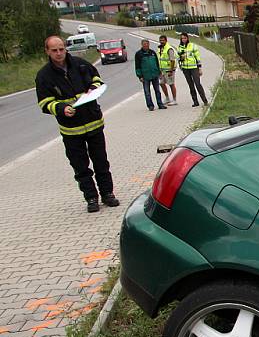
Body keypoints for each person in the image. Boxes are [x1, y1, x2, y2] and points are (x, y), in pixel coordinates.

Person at [35, 35, 119, 213]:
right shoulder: (44, 76)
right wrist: (61, 108)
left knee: (101, 162)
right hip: (71, 129)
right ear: (47, 52)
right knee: (80, 167)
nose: (59, 53)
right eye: (54, 50)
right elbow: (44, 103)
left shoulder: (81, 65)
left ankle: (107, 194)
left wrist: (93, 89)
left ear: (65, 48)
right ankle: (91, 198)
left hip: (94, 123)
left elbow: (97, 79)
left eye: (61, 49)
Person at [134, 39, 167, 111]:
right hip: (145, 76)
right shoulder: (138, 54)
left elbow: (157, 63)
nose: (146, 45)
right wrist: (140, 76)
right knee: (147, 92)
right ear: (142, 45)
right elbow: (137, 66)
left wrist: (159, 72)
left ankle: (160, 104)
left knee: (157, 90)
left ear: (149, 44)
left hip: (154, 74)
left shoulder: (153, 52)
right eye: (144, 44)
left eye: (147, 44)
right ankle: (150, 106)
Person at [177, 32, 208, 107]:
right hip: (185, 68)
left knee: (197, 84)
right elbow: (178, 58)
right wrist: (181, 59)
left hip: (194, 67)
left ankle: (205, 100)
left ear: (187, 38)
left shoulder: (193, 46)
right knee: (191, 85)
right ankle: (195, 101)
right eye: (182, 38)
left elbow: (198, 57)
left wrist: (200, 68)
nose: (183, 39)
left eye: (185, 38)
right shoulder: (180, 47)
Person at [157, 34, 177, 105]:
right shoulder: (160, 48)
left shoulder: (169, 49)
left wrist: (171, 71)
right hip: (162, 70)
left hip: (169, 70)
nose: (161, 41)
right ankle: (167, 98)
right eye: (160, 40)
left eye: (163, 40)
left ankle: (174, 100)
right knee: (161, 83)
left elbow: (172, 60)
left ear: (166, 40)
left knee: (171, 84)